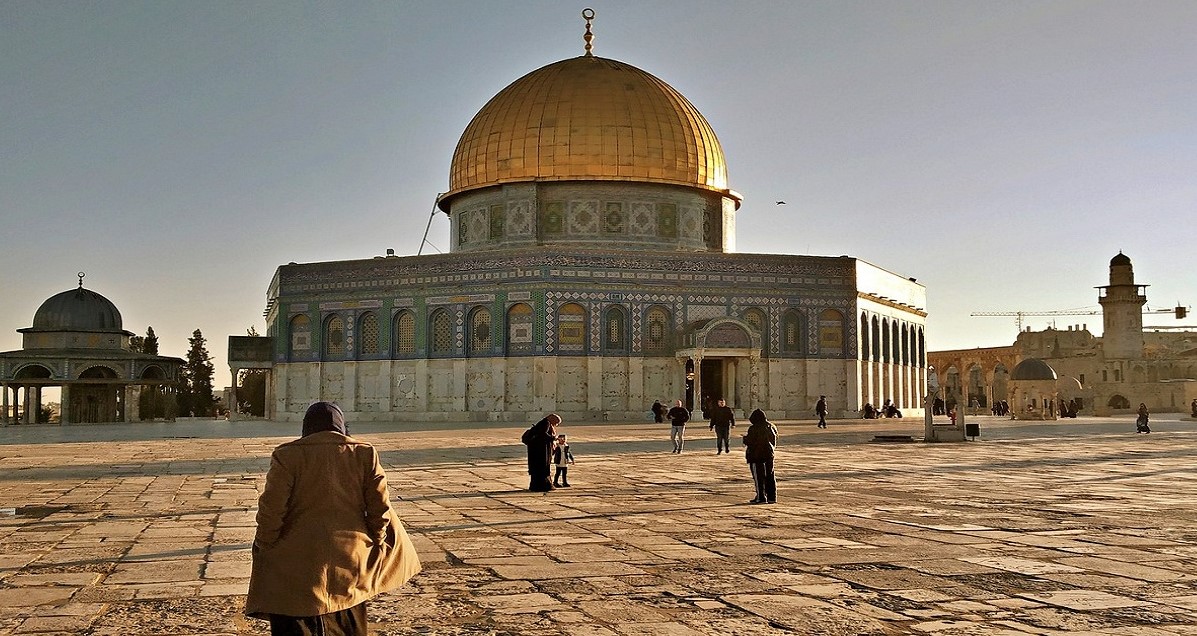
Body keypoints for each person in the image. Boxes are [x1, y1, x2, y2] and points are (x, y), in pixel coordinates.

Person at [246, 402, 421, 635]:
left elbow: (271, 511)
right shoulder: (364, 453)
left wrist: (265, 545)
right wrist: (377, 540)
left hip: (297, 562)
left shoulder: (287, 455)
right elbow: (380, 509)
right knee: (347, 613)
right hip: (350, 558)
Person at [742, 408, 777, 504]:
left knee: (758, 477)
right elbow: (773, 440)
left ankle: (761, 497)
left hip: (756, 456)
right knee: (770, 475)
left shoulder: (754, 428)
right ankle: (772, 497)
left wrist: (745, 439)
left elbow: (751, 441)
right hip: (769, 454)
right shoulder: (771, 426)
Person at [522, 414, 560, 491]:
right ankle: (543, 486)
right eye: (556, 423)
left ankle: (538, 486)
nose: (556, 425)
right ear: (552, 419)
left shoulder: (543, 423)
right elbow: (542, 434)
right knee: (542, 467)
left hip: (538, 450)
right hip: (540, 451)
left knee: (540, 468)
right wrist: (553, 438)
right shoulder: (546, 423)